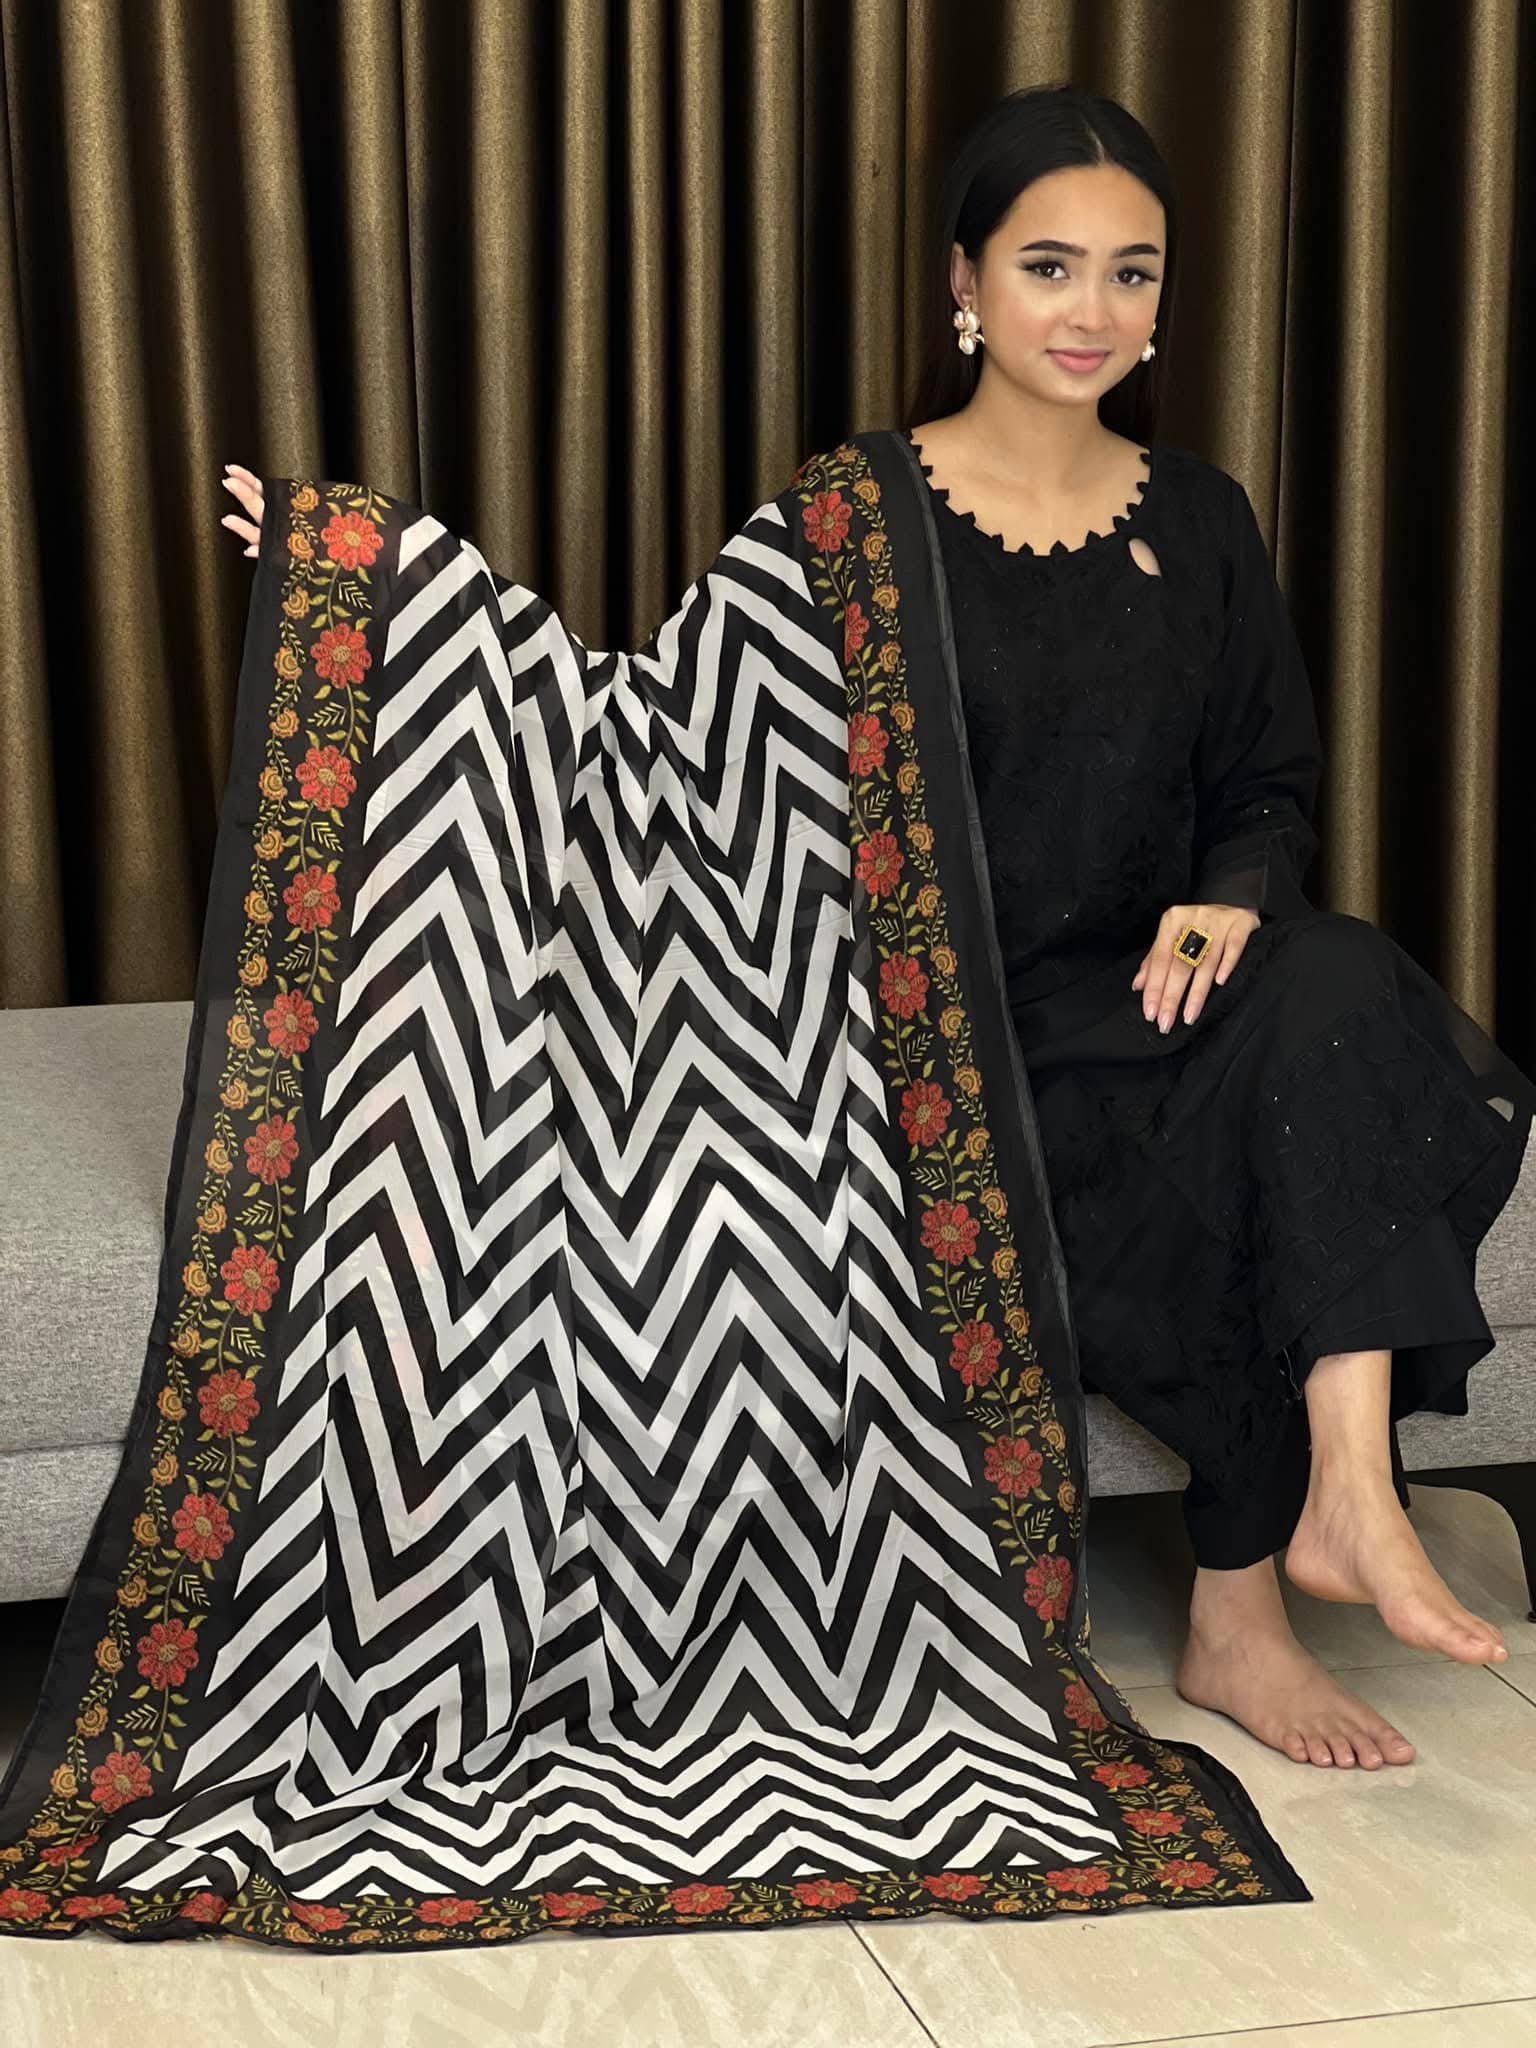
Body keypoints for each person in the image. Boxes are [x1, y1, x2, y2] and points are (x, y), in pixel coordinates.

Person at [222, 85, 1536, 1780]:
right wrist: (378, 582)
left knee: (1338, 972)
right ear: (966, 283)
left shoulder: (1203, 518)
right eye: (1050, 265)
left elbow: (1268, 785)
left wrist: (1236, 890)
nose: (1093, 309)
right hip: (942, 1043)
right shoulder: (854, 519)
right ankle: (1245, 1605)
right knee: (1246, 1153)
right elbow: (643, 725)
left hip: (1165, 999)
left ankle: (1346, 1498)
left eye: (1133, 271)